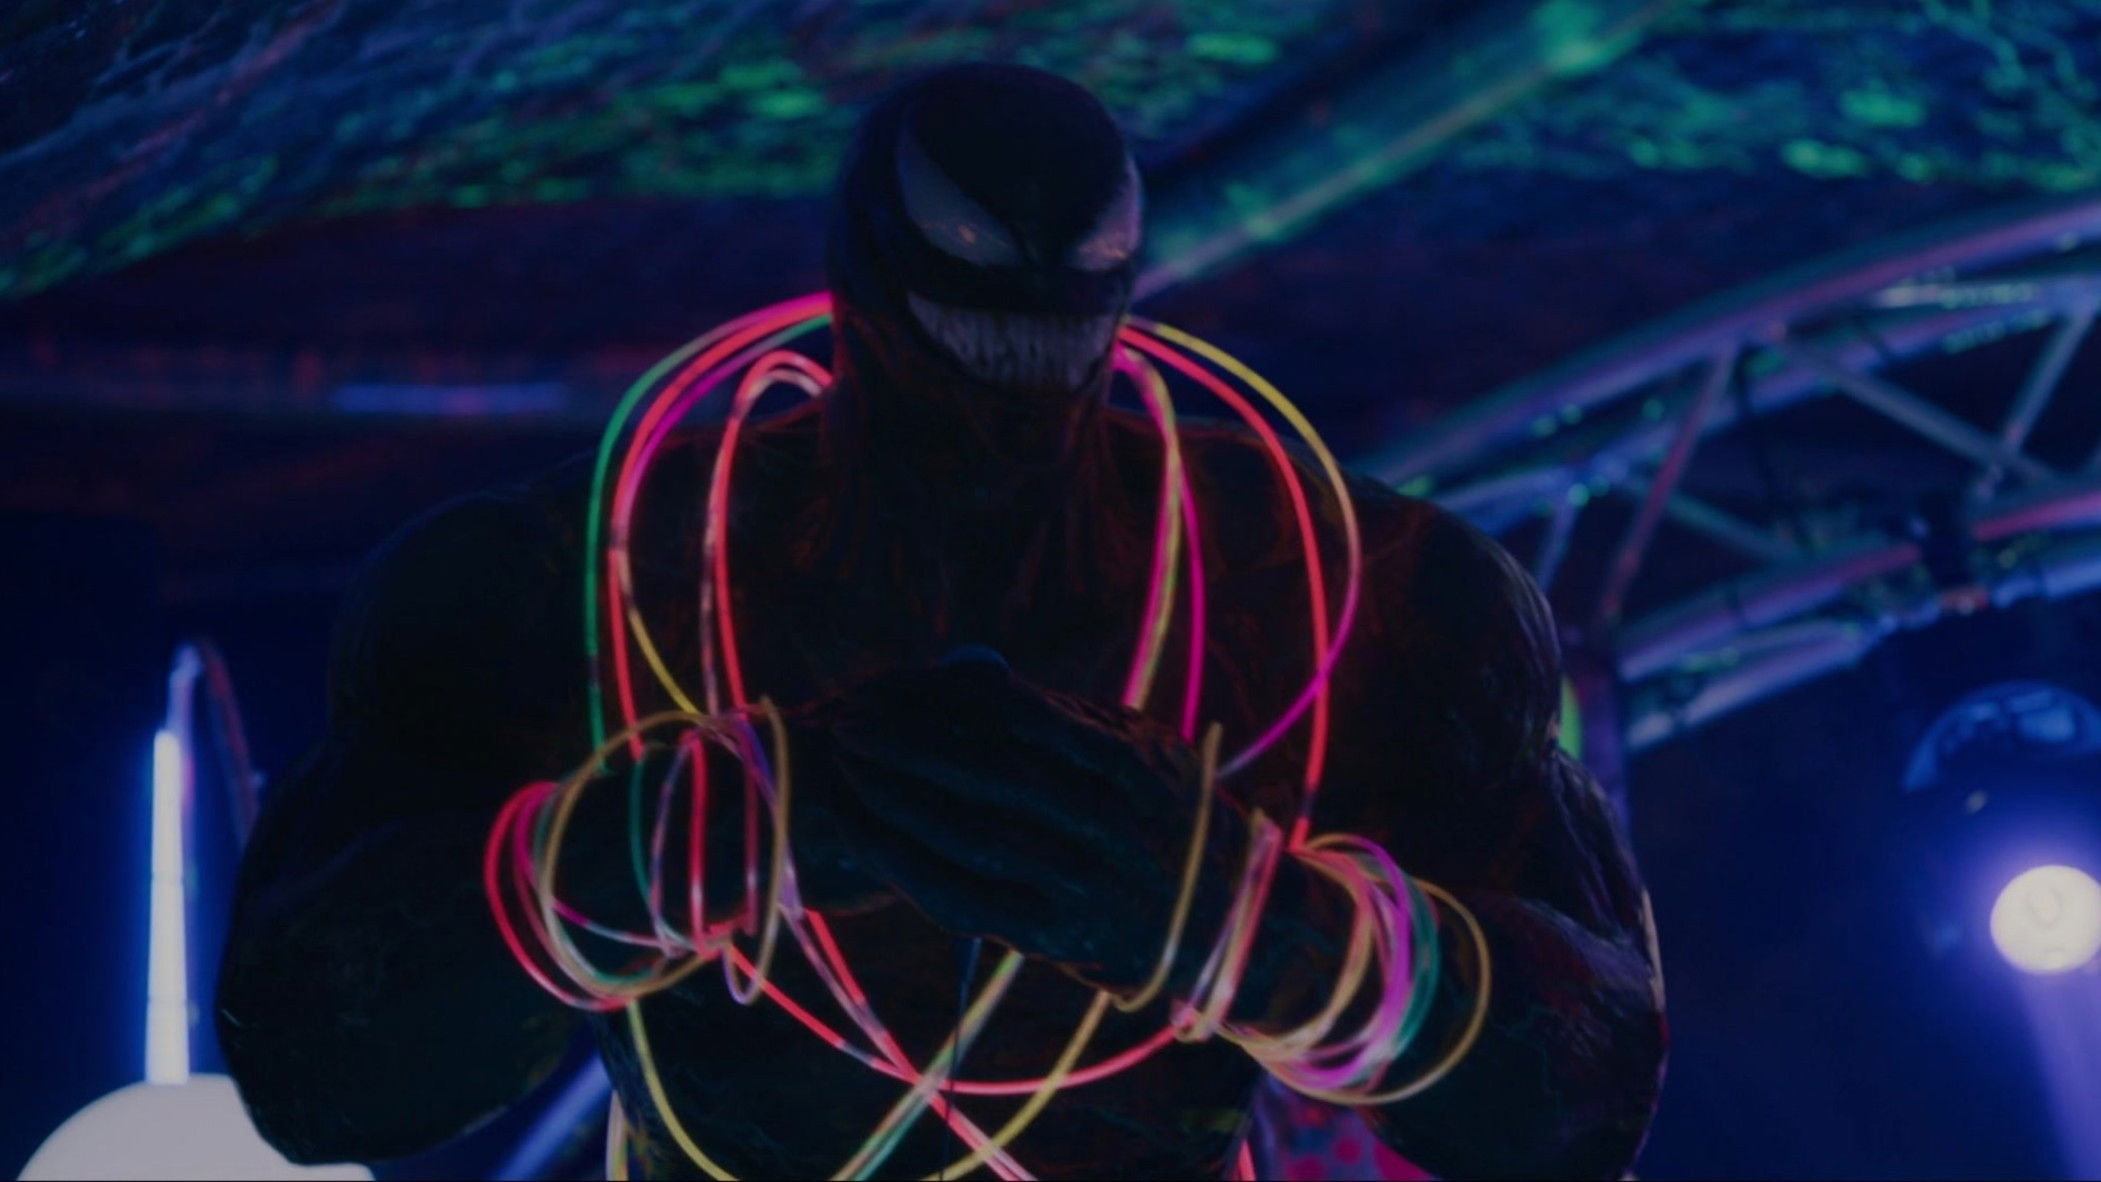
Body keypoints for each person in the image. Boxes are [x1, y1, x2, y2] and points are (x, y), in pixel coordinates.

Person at [218, 63, 1665, 1179]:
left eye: (1044, 327)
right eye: (963, 327)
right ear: (862, 283)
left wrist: (1254, 926)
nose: (999, 402)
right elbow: (308, 1067)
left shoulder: (1355, 597)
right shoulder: (569, 584)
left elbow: (1587, 1095)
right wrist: (656, 850)